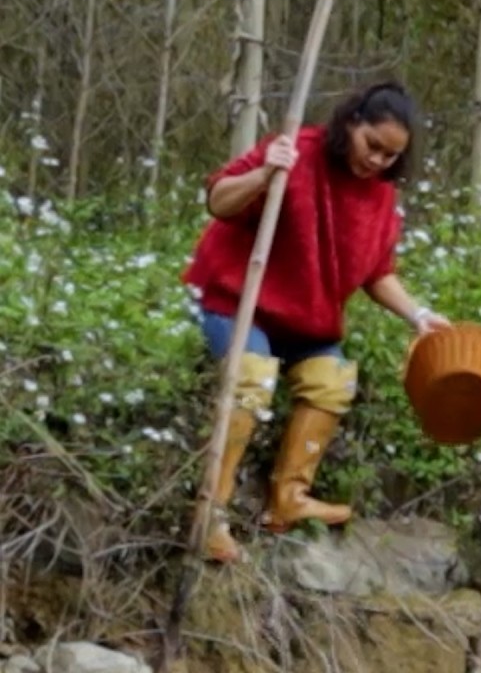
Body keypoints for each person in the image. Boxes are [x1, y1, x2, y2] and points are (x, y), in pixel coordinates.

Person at [182, 81, 451, 564]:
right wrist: (266, 174)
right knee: (251, 376)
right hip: (237, 300)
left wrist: (420, 315)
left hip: (306, 322)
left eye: (390, 156)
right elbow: (218, 200)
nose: (377, 161)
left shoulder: (381, 198)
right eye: (373, 145)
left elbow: (377, 273)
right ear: (352, 123)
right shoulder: (296, 152)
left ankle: (288, 498)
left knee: (332, 380)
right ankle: (210, 514)